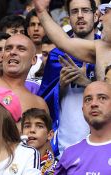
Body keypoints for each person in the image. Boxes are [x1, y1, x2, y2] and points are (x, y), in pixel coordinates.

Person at [36, 0, 99, 156]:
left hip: (103, 144)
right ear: (68, 18)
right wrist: (61, 87)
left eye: (85, 10)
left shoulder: (106, 52)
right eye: (74, 11)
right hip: (67, 144)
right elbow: (42, 104)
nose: (80, 16)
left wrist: (88, 84)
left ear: (96, 14)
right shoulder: (57, 56)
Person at [33, 0, 111, 81]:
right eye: (74, 11)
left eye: (106, 12)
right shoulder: (100, 47)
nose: (101, 18)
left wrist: (86, 83)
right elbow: (63, 42)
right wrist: (41, 11)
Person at [55, 81, 111, 174]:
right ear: (82, 109)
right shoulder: (70, 153)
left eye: (102, 98)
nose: (93, 104)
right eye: (88, 99)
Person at [21, 108, 57, 174]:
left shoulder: (58, 167)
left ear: (50, 135)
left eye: (39, 126)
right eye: (27, 126)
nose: (32, 130)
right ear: (21, 133)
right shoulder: (11, 161)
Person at [25, 9, 46, 81]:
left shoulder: (54, 56)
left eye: (40, 25)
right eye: (32, 25)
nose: (36, 29)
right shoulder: (20, 56)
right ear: (28, 31)